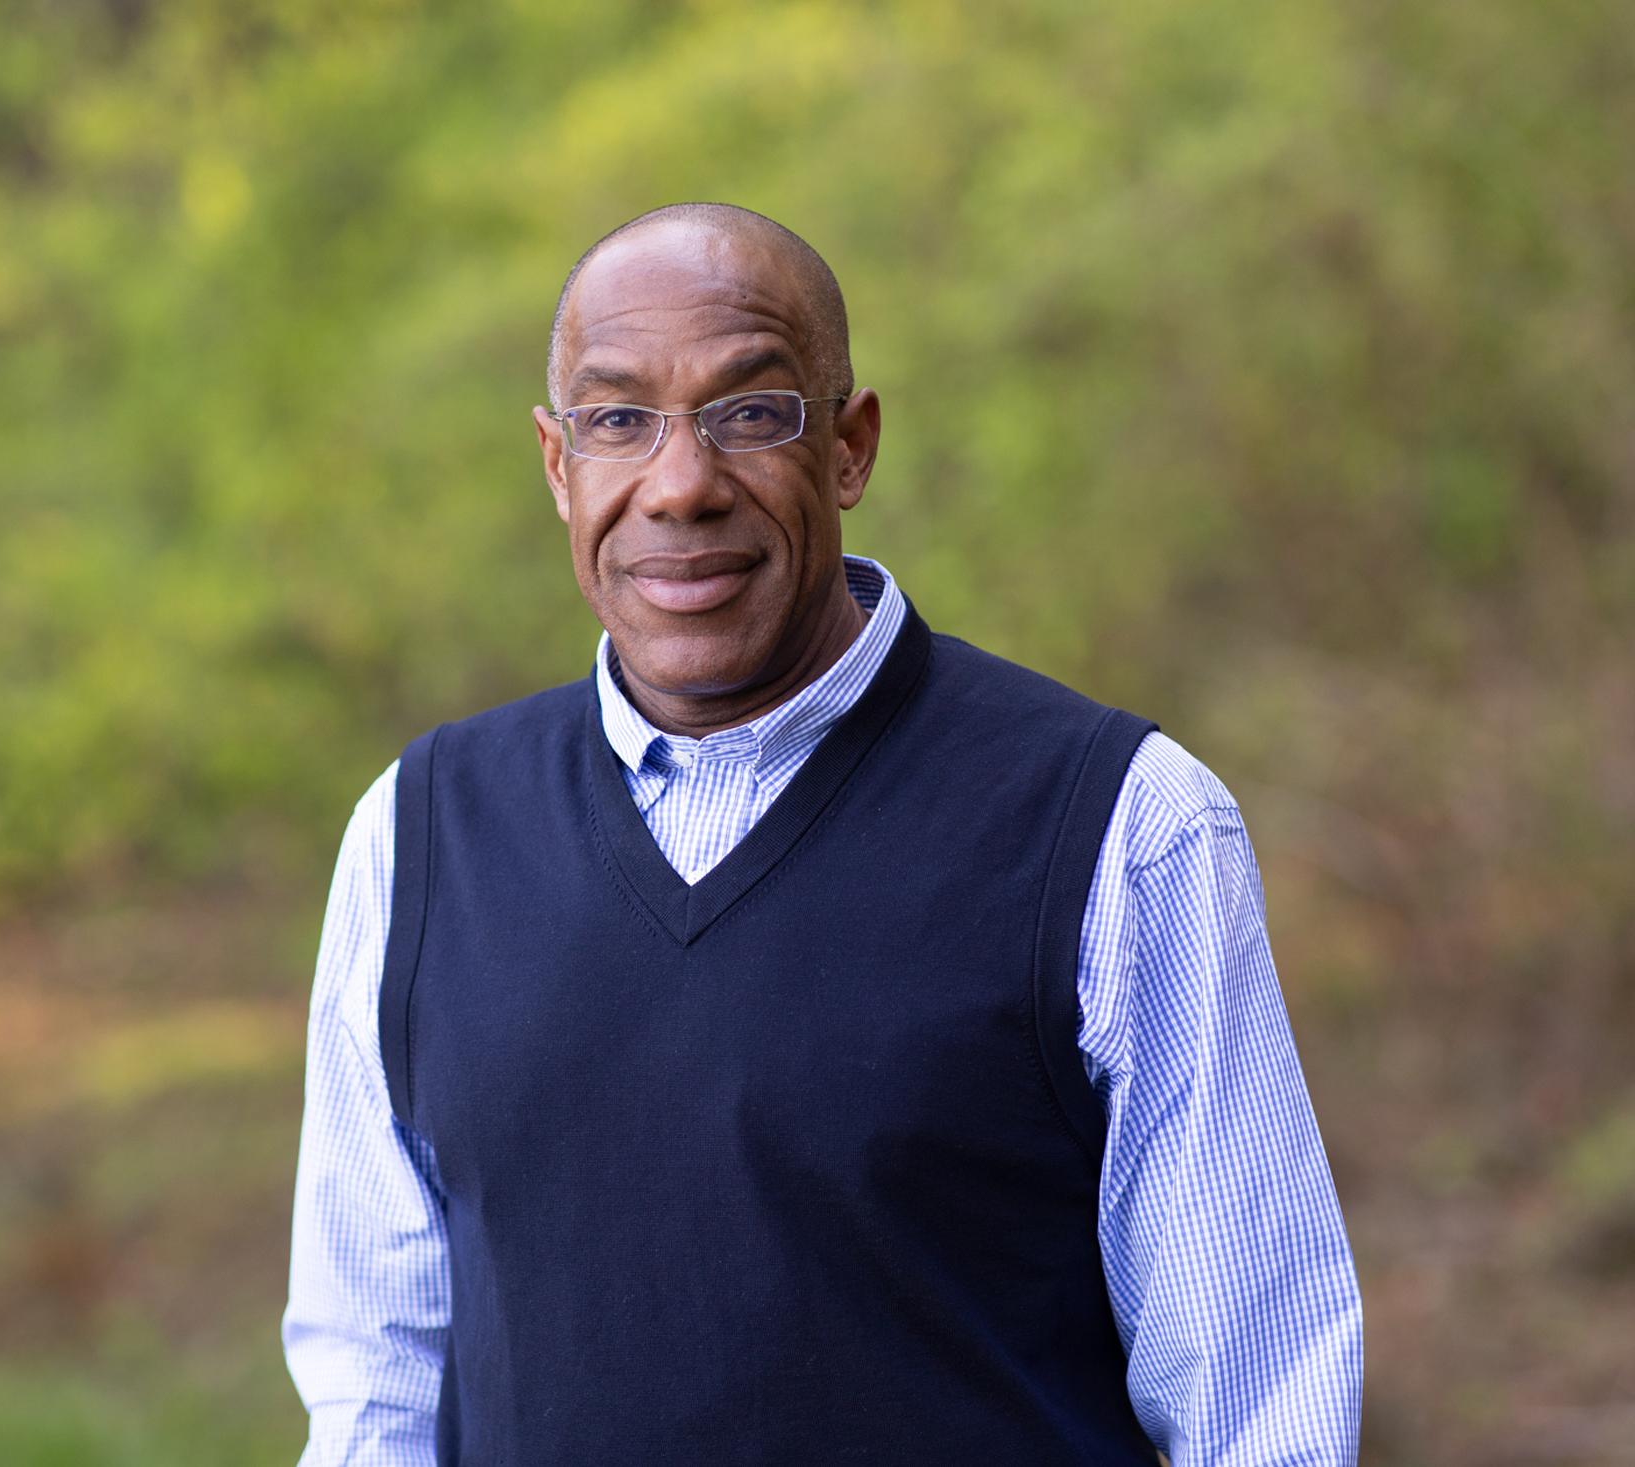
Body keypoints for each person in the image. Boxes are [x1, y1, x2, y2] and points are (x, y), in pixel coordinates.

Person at [283, 202, 1364, 1465]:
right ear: (556, 463)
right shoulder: (419, 837)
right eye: (618, 420)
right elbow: (376, 1385)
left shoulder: (1120, 826)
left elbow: (1262, 1400)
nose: (679, 486)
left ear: (849, 449)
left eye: (750, 413)